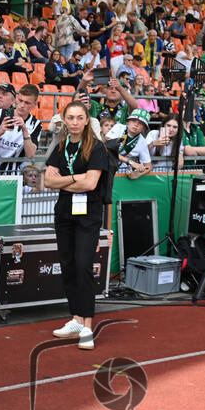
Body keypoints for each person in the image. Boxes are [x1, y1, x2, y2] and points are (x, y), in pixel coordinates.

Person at [46, 101, 110, 350]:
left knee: (83, 266)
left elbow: (91, 184)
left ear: (86, 120)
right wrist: (74, 178)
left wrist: (63, 181)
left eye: (79, 117)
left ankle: (87, 326)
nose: (74, 122)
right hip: (64, 213)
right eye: (70, 118)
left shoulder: (96, 148)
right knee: (68, 265)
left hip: (87, 215)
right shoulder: (61, 146)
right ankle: (75, 318)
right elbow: (48, 182)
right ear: (64, 120)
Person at [113, 109, 153, 179]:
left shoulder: (142, 141)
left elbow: (148, 167)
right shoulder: (118, 127)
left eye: (140, 123)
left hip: (122, 174)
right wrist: (131, 162)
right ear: (128, 121)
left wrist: (137, 174)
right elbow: (108, 150)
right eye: (134, 121)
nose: (136, 125)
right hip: (105, 168)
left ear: (144, 128)